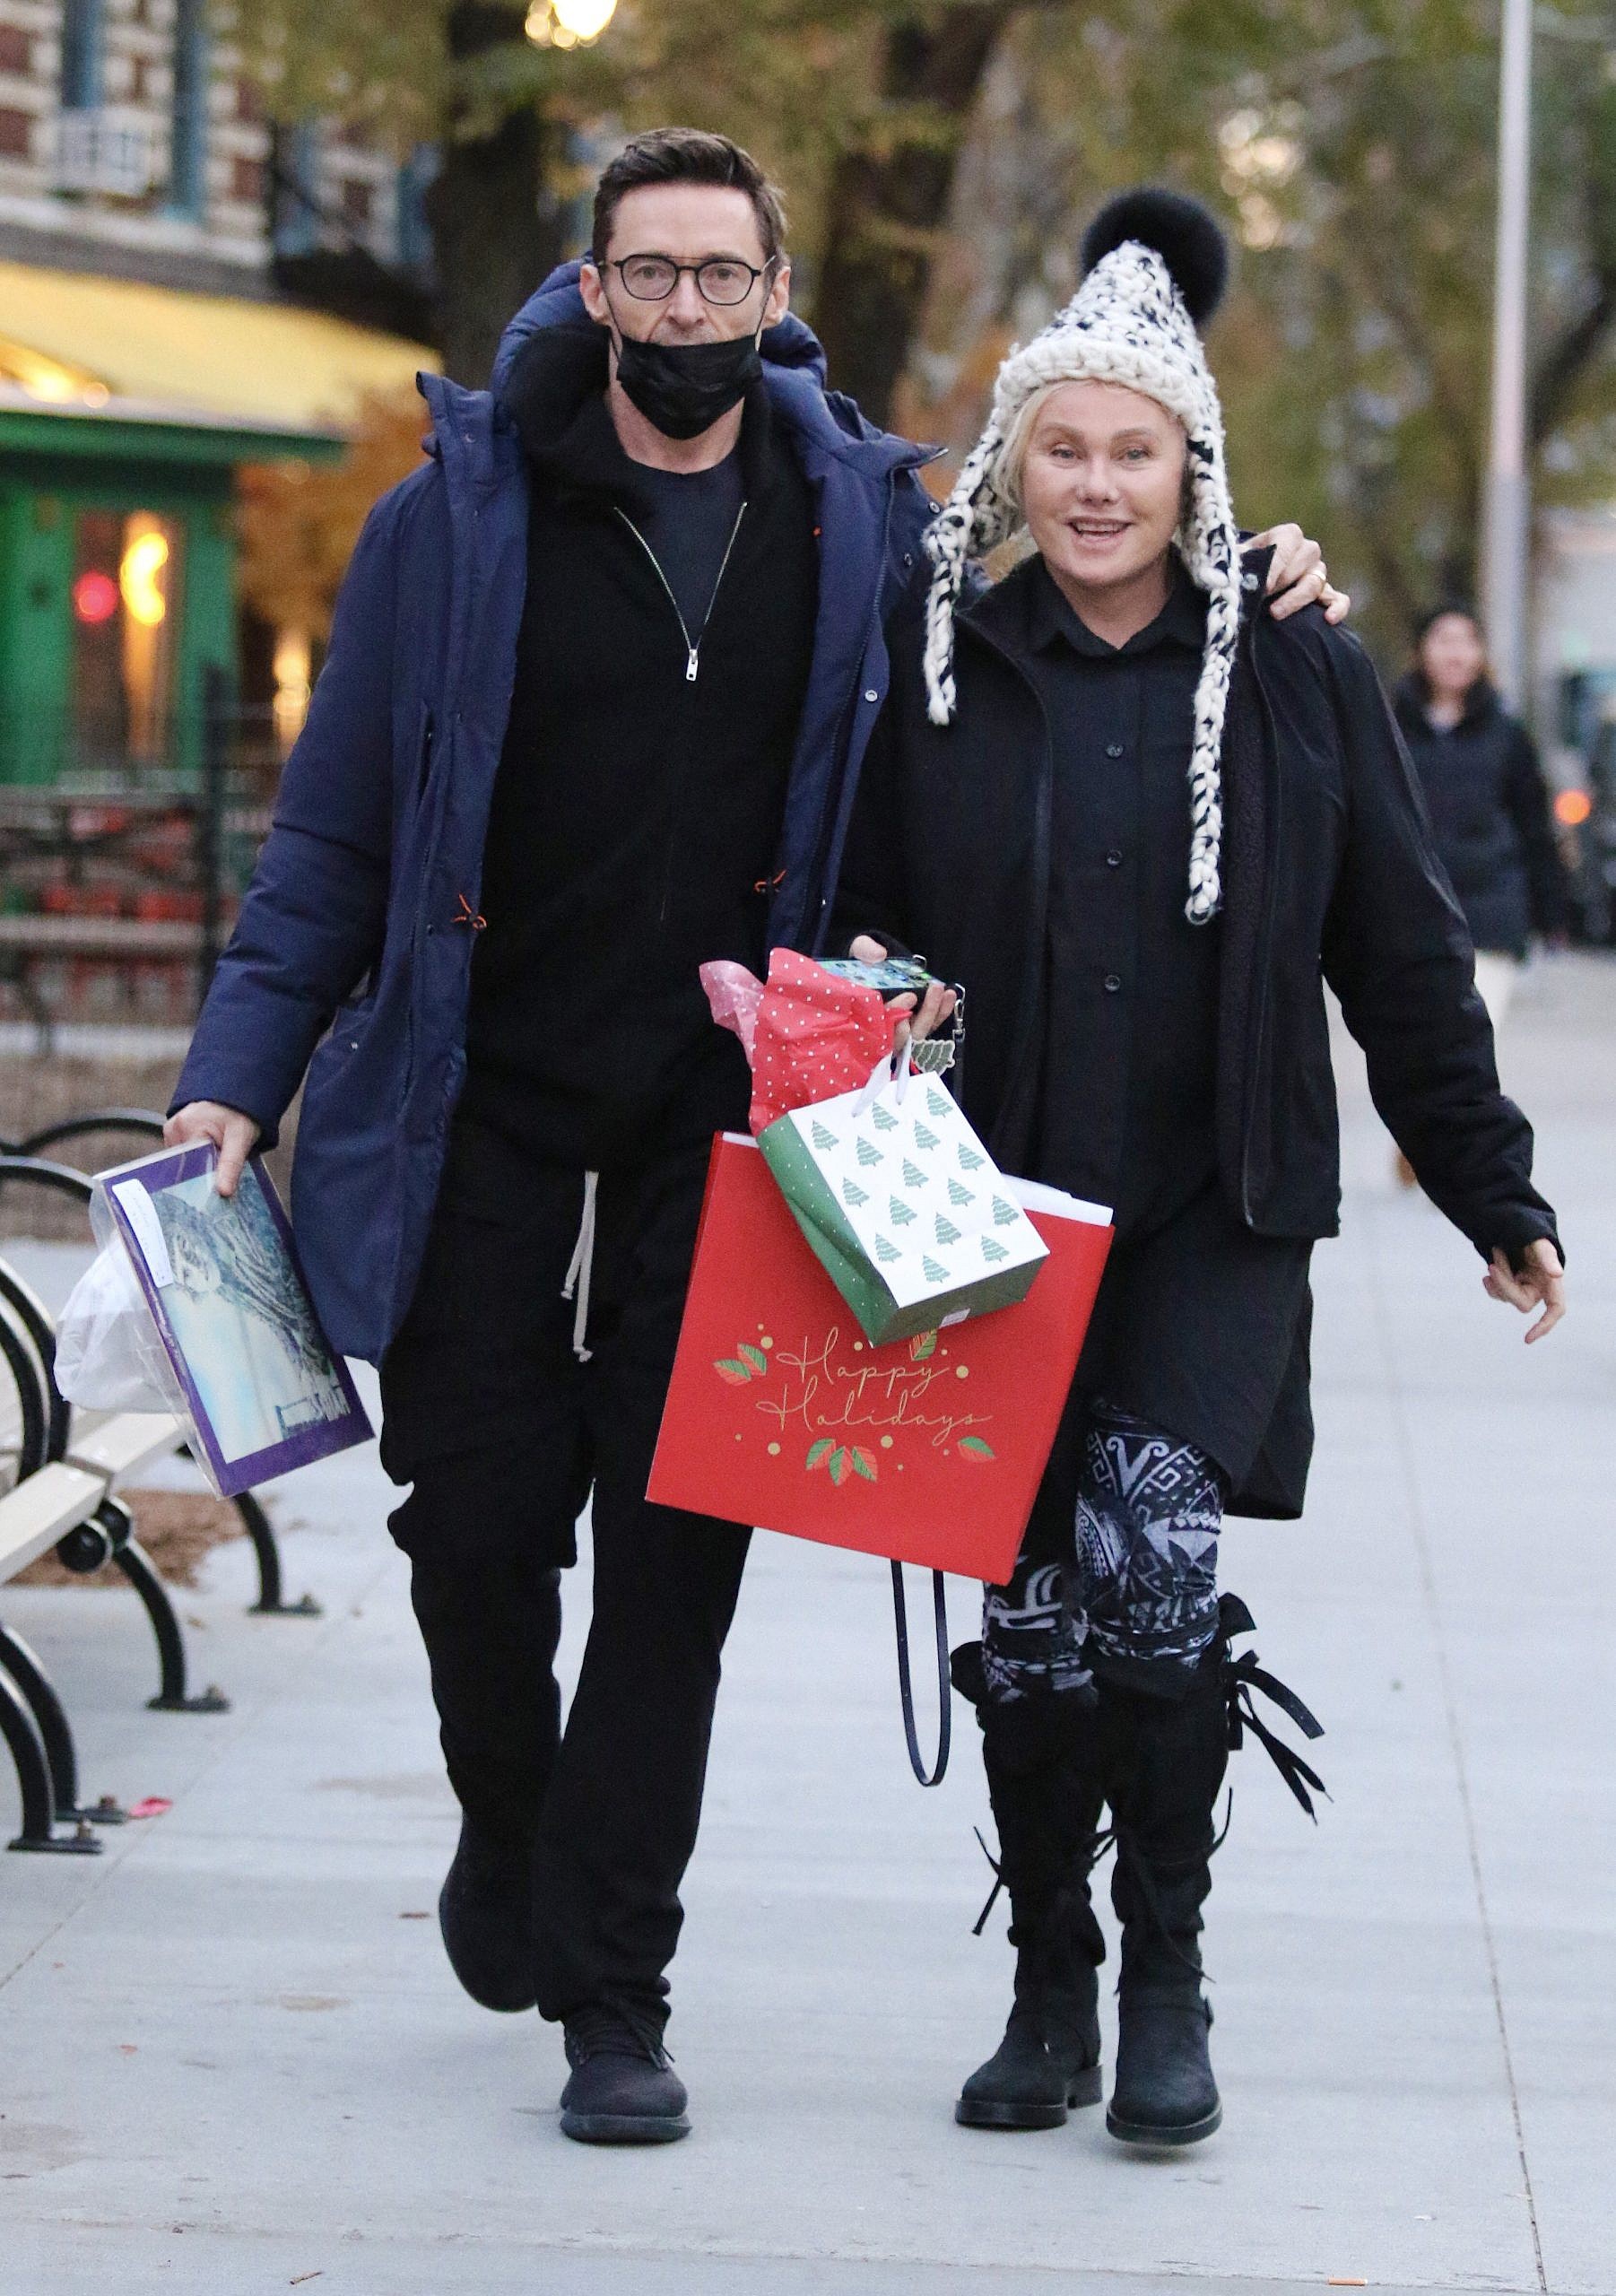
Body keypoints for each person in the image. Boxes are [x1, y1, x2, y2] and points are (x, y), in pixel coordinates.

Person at [163, 134, 1344, 2148]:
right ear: (596, 285)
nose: (690, 308)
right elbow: (335, 839)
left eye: (725, 275)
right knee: (473, 1526)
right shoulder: (452, 522)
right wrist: (231, 1074)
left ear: (774, 285)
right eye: (654, 275)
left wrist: (1253, 581)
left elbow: (1062, 632)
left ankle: (615, 1993)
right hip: (489, 1102)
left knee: (671, 1561)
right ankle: (508, 1813)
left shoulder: (861, 524)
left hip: (737, 1128)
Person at [835, 188, 1566, 2152]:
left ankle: (1167, 1971)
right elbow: (854, 930)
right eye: (1060, 449)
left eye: (1130, 452)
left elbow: (1396, 944)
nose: (1093, 487)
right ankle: (1046, 1975)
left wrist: (1493, 1186)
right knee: (1036, 1626)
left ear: (1190, 465)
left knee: (1154, 1584)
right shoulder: (940, 664)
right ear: (1018, 462)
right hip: (979, 1218)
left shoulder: (1298, 671)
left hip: (1209, 1210)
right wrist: (874, 1009)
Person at [1394, 606, 1568, 1034]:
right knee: (1419, 1045)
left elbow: (1534, 826)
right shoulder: (1390, 728)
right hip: (1410, 915)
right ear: (1421, 651)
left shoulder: (1507, 734)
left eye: (1466, 642)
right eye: (1443, 640)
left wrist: (1551, 914)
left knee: (1471, 1041)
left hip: (1490, 916)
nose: (1455, 654)